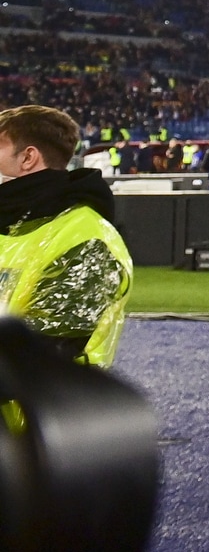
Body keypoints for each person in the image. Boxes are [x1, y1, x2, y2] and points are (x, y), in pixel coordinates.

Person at [0, 104, 132, 366]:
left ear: (28, 158)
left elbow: (46, 354)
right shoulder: (10, 224)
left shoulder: (87, 240)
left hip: (46, 393)